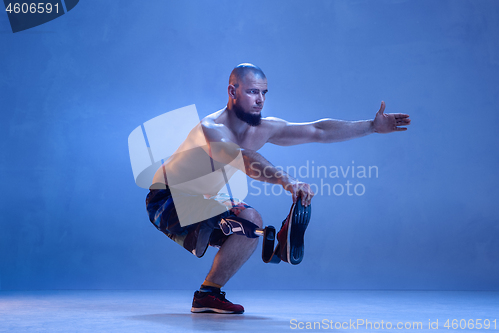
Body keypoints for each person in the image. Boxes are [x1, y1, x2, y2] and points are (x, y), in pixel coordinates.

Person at [145, 63, 411, 314]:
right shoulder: (211, 128)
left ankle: (208, 294)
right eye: (252, 92)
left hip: (204, 197)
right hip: (168, 198)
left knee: (250, 221)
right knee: (246, 222)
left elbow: (317, 130)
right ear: (232, 91)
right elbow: (244, 159)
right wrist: (288, 182)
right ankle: (270, 240)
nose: (260, 99)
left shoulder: (264, 127)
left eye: (263, 93)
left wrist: (371, 127)